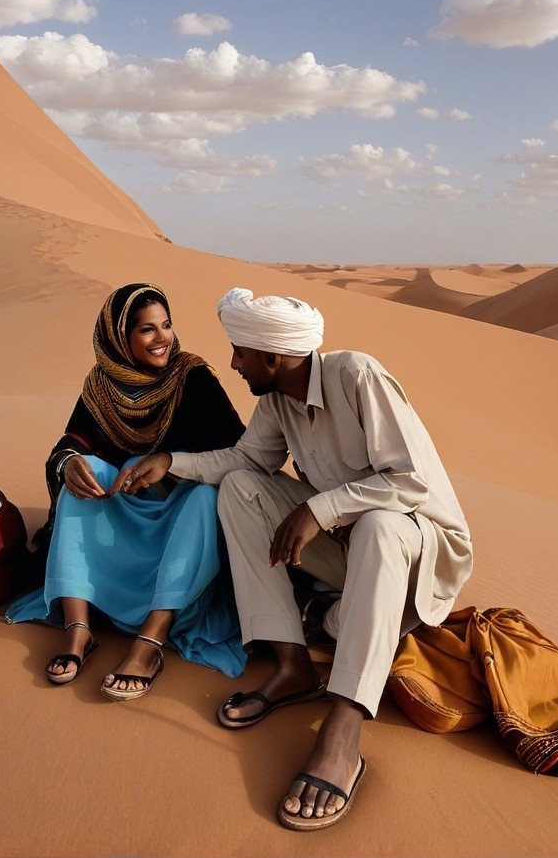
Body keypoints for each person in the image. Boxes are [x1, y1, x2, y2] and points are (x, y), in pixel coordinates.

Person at [113, 287, 472, 829]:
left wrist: (322, 509)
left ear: (273, 358)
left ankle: (344, 728)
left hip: (421, 551)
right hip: (352, 554)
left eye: (240, 352)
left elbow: (410, 481)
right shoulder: (278, 400)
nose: (233, 363)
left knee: (378, 524)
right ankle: (291, 664)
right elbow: (245, 459)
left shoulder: (358, 376)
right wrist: (170, 461)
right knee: (239, 486)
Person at [7, 282, 247, 698]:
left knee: (206, 498)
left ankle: (150, 640)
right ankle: (78, 629)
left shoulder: (193, 378)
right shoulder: (101, 386)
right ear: (120, 337)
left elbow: (239, 453)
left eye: (166, 325)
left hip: (181, 518)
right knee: (87, 473)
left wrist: (172, 468)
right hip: (123, 513)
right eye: (147, 330)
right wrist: (69, 464)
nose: (162, 339)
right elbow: (72, 442)